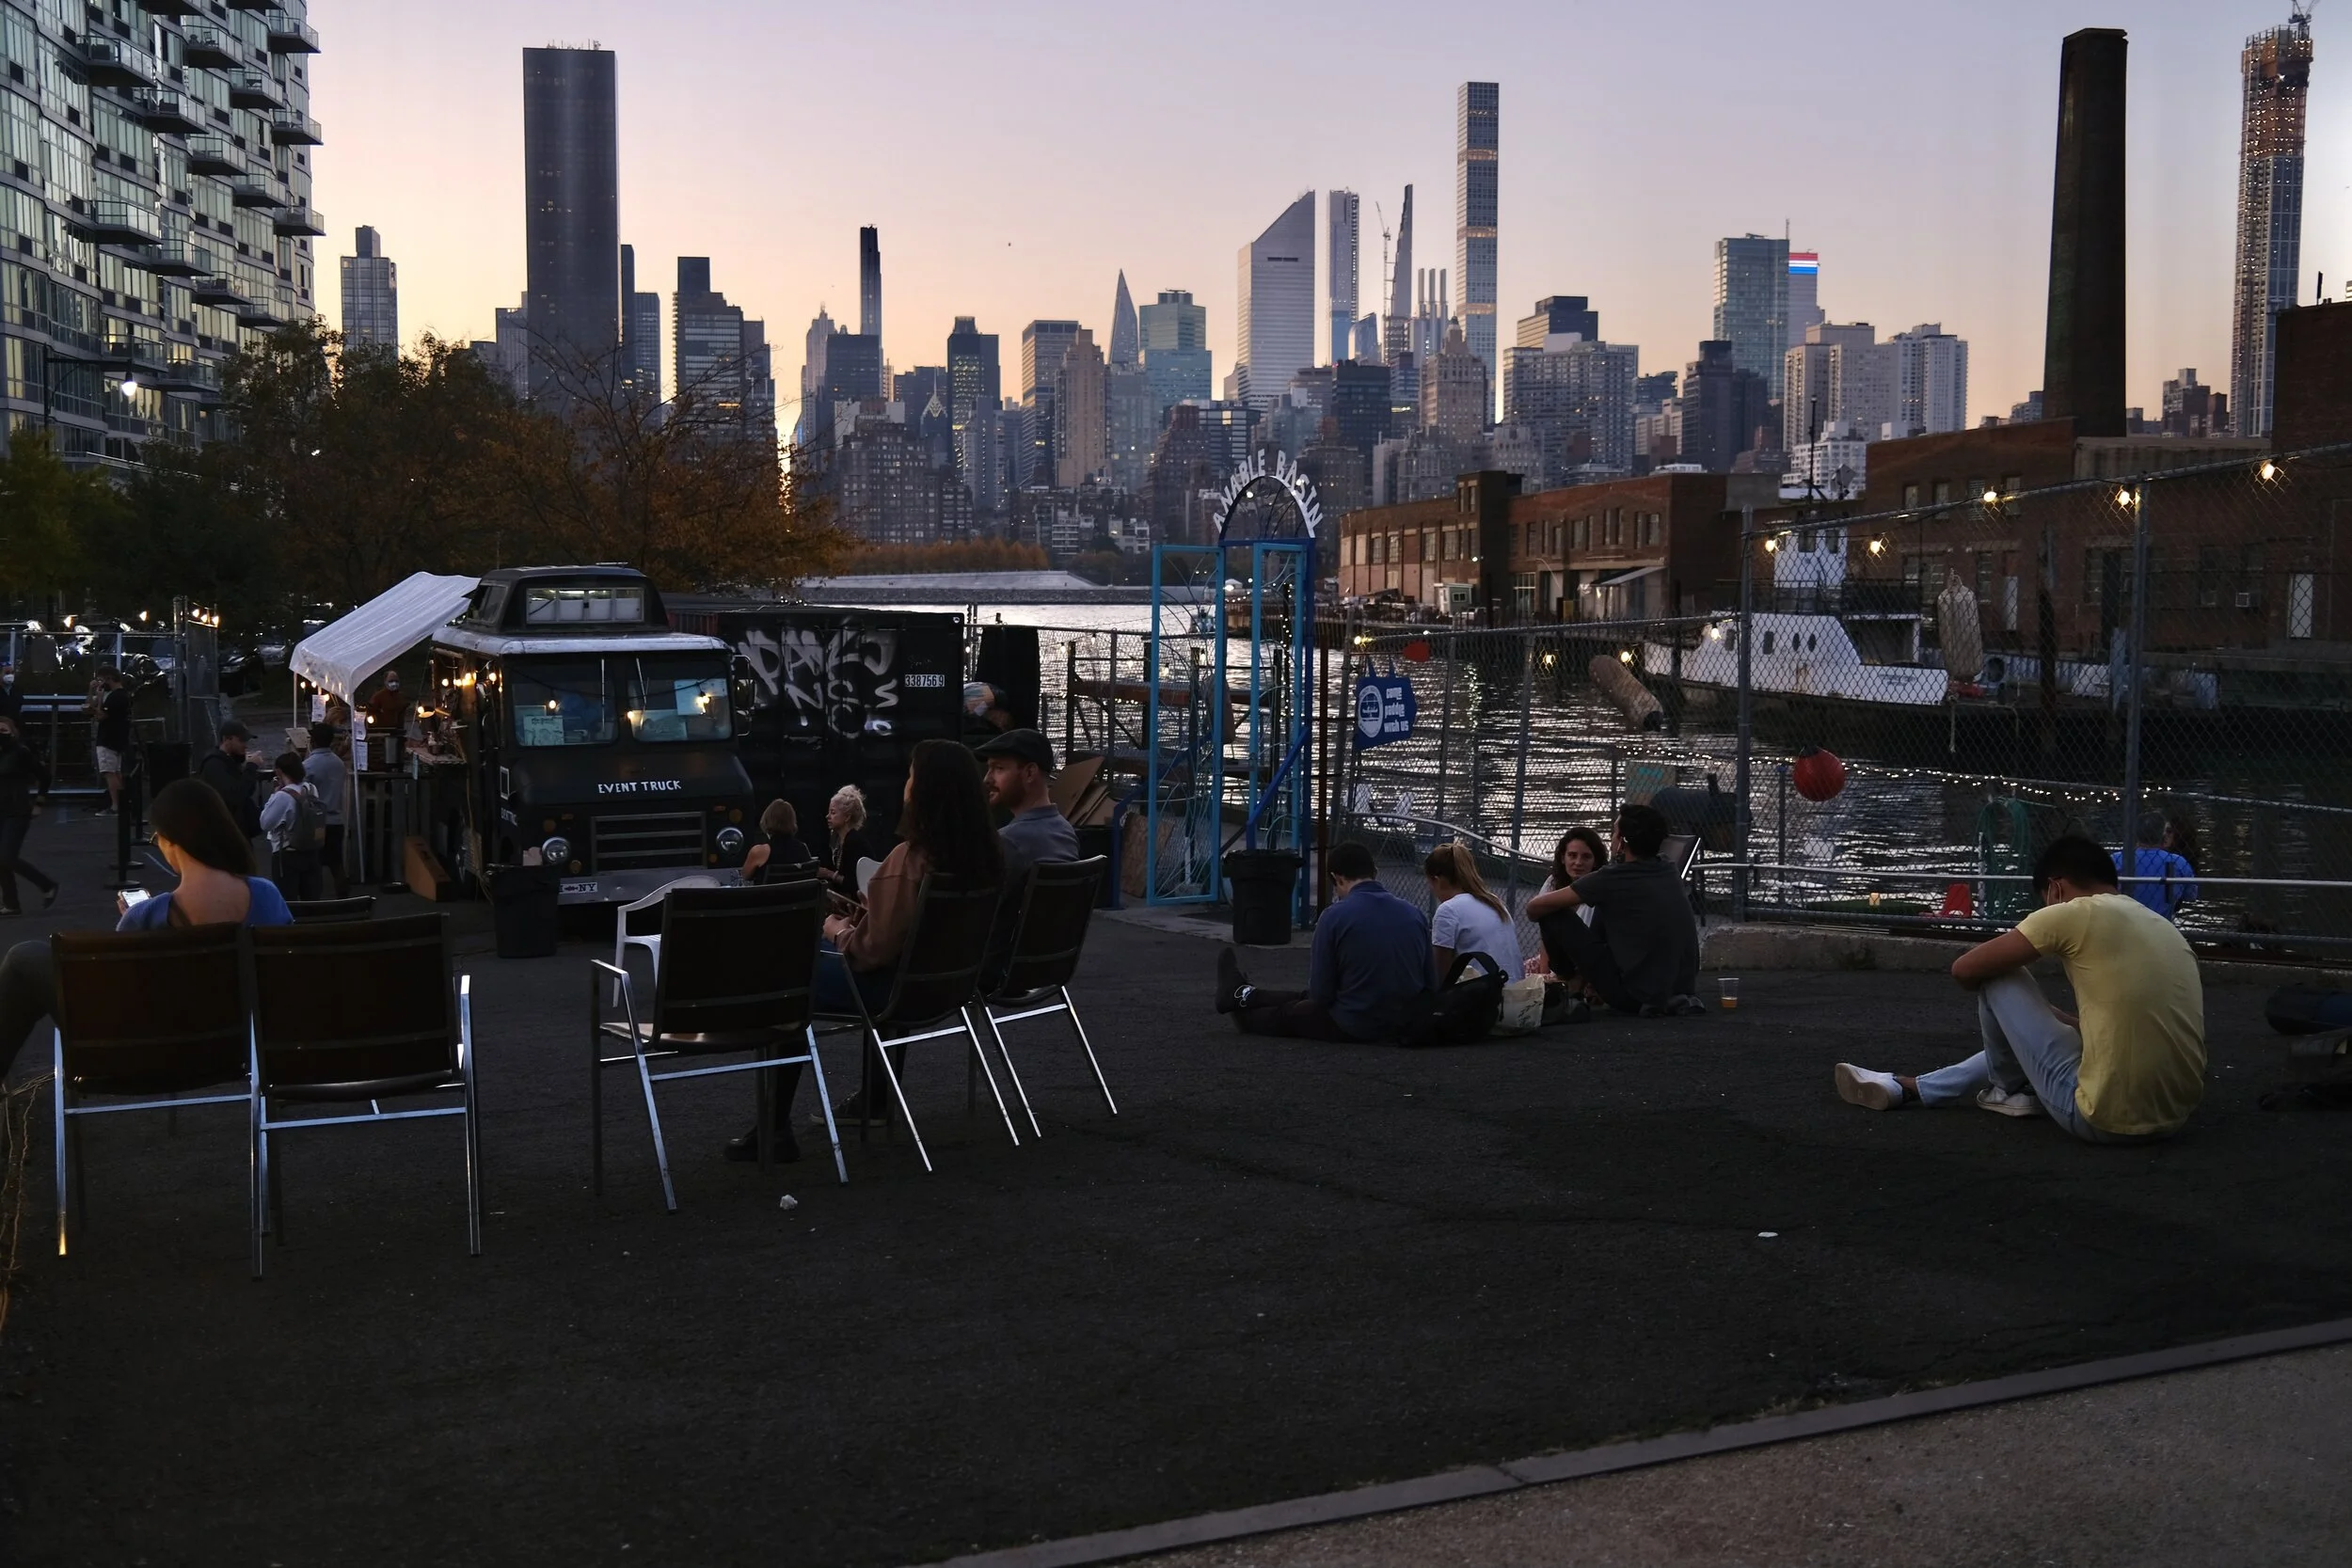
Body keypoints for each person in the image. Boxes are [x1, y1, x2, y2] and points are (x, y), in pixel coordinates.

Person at [1833, 834, 2206, 1145]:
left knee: (1998, 974)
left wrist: (2013, 1014)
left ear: (2055, 888)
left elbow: (1965, 970)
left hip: (2102, 1119)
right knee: (2056, 1031)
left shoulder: (2073, 911)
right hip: (2174, 1118)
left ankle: (2008, 1090)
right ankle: (1909, 1087)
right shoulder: (2161, 927)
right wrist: (2042, 1018)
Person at [1, 779, 291, 1079]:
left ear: (171, 841)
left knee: (24, 957)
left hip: (149, 1055)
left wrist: (134, 919)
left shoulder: (147, 916)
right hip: (244, 1046)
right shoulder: (266, 894)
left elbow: (118, 994)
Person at [1215, 842, 1435, 1041]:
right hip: (1404, 1021)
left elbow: (1321, 994)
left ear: (1337, 878)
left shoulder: (1334, 916)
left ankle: (1241, 1007)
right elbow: (1430, 983)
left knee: (1293, 1012)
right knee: (1307, 997)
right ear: (1374, 872)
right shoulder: (1414, 914)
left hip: (1357, 1023)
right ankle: (1243, 994)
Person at [1526, 802, 1703, 1016]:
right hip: (1679, 990)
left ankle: (1570, 984)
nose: (1611, 838)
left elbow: (1534, 908)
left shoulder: (1612, 878)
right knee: (1606, 905)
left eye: (1613, 833)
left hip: (1634, 997)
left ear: (1621, 843)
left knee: (1551, 913)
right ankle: (1582, 982)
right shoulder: (1668, 868)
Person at [974, 728, 1079, 984]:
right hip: (1049, 967)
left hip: (994, 973)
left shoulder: (1009, 842)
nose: (987, 778)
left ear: (1030, 773)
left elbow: (974, 914)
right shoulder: (1066, 832)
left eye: (999, 769)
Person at [1425, 843, 1518, 979]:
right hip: (1514, 986)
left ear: (1437, 880)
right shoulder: (1494, 901)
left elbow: (1440, 973)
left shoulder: (1448, 910)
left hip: (1485, 990)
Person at [1525, 828, 1605, 979]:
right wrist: (1544, 975)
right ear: (1563, 858)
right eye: (1572, 855)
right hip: (1554, 960)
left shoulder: (1601, 892)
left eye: (1586, 857)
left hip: (1587, 969)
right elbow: (1545, 936)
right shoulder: (1552, 883)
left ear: (1595, 861)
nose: (1578, 863)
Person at [0, 715, 58, 915]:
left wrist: (39, 802)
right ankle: (11, 903)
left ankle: (46, 884)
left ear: (13, 732)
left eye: (4, 730)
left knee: (7, 857)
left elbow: (45, 777)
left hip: (17, 811)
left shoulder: (21, 752)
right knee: (1, 860)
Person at [259, 752, 325, 902]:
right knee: (311, 899)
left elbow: (265, 823)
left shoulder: (283, 796)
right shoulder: (311, 789)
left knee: (288, 900)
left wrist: (273, 795)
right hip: (311, 849)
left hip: (286, 853)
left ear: (279, 772)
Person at [2115, 811, 2199, 921]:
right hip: (2162, 922)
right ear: (2163, 834)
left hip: (2124, 922)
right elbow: (2191, 896)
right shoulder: (2179, 862)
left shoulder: (2117, 859)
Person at [302, 721, 350, 898]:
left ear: (312, 741)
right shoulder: (338, 763)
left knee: (314, 864)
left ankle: (316, 900)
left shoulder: (308, 765)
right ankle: (344, 898)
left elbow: (303, 792)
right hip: (336, 819)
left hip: (316, 821)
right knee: (337, 863)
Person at [815, 784, 886, 902]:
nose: (828, 816)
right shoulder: (839, 841)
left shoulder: (854, 842)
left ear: (847, 817)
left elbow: (855, 884)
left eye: (833, 812)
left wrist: (829, 874)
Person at [194, 720, 262, 842]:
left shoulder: (229, 761)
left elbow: (247, 791)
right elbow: (235, 795)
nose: (245, 745)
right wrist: (251, 767)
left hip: (236, 831)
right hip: (225, 834)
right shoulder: (214, 764)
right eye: (241, 740)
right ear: (226, 739)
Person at [739, 799, 817, 884]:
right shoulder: (803, 848)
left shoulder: (759, 852)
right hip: (799, 893)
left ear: (767, 819)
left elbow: (745, 876)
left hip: (768, 893)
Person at [92, 667, 132, 815]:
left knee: (109, 772)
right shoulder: (123, 695)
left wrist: (100, 699)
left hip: (108, 738)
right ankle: (121, 803)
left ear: (109, 678)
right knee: (116, 771)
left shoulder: (115, 697)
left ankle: (116, 805)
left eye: (102, 680)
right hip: (117, 738)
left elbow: (101, 715)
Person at [362, 670, 406, 734]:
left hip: (396, 731)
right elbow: (369, 712)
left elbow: (401, 714)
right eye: (391, 681)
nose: (394, 683)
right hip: (380, 731)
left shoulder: (400, 697)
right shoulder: (378, 697)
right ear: (385, 682)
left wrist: (400, 730)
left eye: (396, 681)